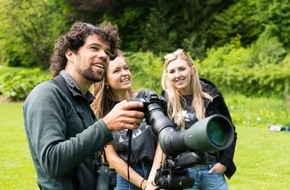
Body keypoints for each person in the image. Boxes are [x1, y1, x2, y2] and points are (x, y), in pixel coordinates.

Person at [23, 21, 145, 189]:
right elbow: (52, 161)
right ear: (70, 54)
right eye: (94, 48)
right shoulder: (47, 94)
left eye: (107, 52)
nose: (104, 56)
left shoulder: (83, 101)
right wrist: (105, 126)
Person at [161, 49, 237, 190]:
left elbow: (229, 129)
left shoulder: (211, 94)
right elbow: (162, 140)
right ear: (167, 75)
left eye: (182, 69)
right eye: (172, 71)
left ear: (192, 69)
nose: (177, 75)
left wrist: (225, 162)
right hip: (183, 172)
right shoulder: (165, 101)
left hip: (212, 170)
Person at [91, 50, 163, 190]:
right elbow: (112, 158)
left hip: (158, 171)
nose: (124, 73)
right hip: (127, 178)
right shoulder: (102, 113)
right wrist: (144, 185)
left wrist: (153, 180)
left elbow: (163, 139)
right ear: (105, 80)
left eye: (126, 68)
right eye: (117, 70)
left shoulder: (146, 98)